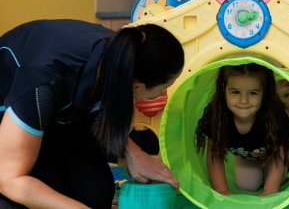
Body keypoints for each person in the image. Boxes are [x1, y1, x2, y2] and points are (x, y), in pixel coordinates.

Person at [0, 19, 184, 208]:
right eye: (164, 87)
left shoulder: (124, 57)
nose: (162, 94)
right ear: (137, 86)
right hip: (11, 117)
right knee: (18, 202)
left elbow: (103, 112)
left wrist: (131, 151)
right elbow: (10, 181)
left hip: (59, 116)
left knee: (96, 193)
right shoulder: (42, 84)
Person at [195, 63, 289, 196]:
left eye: (253, 93)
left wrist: (270, 189)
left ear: (264, 93)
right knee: (247, 185)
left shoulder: (275, 115)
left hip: (273, 154)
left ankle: (287, 165)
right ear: (223, 89)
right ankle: (259, 173)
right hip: (246, 157)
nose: (243, 100)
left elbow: (279, 151)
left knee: (275, 183)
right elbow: (214, 154)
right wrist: (221, 191)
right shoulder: (217, 115)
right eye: (235, 92)